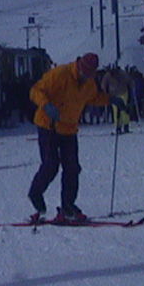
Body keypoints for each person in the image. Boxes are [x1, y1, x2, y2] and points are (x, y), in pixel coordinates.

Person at [27, 53, 111, 223]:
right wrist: (46, 105)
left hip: (69, 128)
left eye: (90, 74)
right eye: (85, 73)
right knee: (51, 165)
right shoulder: (60, 74)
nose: (86, 76)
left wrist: (111, 100)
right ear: (79, 65)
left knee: (72, 168)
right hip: (47, 124)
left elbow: (93, 98)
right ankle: (35, 194)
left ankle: (68, 206)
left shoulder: (88, 83)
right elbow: (35, 91)